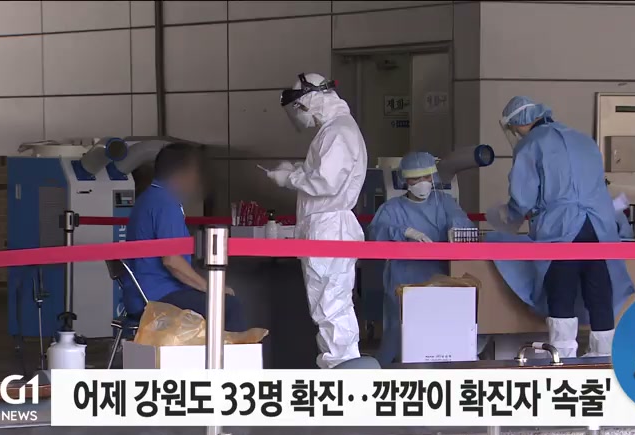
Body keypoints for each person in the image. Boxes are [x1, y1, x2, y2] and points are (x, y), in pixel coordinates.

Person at [493, 95, 635, 358]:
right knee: (599, 293)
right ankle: (603, 358)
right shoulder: (583, 140)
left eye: (513, 128)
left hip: (562, 228)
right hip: (600, 227)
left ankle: (563, 358)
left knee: (561, 293)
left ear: (519, 123)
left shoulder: (531, 144)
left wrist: (506, 215)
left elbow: (523, 198)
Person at [266, 73, 368, 369]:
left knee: (330, 306)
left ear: (310, 100)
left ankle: (343, 370)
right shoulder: (337, 130)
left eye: (299, 107)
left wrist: (291, 179)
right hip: (328, 228)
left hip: (329, 230)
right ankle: (341, 367)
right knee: (330, 305)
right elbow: (325, 173)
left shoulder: (338, 132)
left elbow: (326, 182)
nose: (299, 114)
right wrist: (297, 170)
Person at [124, 143, 247, 331]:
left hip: (139, 295)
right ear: (182, 174)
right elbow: (172, 261)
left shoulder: (147, 199)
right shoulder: (166, 204)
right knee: (230, 306)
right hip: (159, 297)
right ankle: (224, 351)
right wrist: (213, 288)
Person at [368, 152, 475, 364]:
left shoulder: (444, 202)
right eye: (415, 179)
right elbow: (375, 233)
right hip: (404, 279)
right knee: (402, 333)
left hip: (441, 278)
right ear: (405, 180)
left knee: (441, 335)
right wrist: (404, 231)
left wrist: (456, 227)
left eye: (426, 177)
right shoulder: (392, 208)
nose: (422, 183)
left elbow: (463, 222)